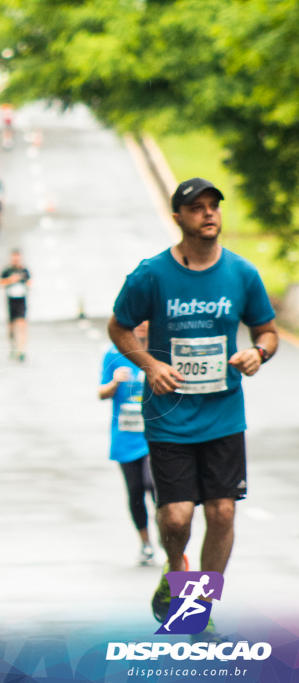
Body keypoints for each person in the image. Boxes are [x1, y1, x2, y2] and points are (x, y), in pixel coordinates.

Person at [108, 177, 277, 641]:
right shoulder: (152, 274)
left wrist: (258, 353)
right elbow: (119, 327)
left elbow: (267, 330)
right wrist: (148, 364)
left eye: (213, 206)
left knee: (222, 512)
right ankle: (172, 564)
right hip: (170, 415)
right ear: (178, 216)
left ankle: (194, 607)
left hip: (224, 414)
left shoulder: (241, 274)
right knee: (178, 517)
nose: (208, 214)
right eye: (197, 207)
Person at [99, 321, 156, 566]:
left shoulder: (161, 350)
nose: (142, 327)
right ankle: (145, 544)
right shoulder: (114, 354)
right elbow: (101, 393)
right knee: (135, 492)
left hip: (154, 436)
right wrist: (114, 382)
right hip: (125, 436)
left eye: (147, 323)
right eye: (138, 324)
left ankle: (170, 534)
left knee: (152, 484)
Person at [0, 249, 31, 362]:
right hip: (10, 300)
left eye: (18, 258)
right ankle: (13, 344)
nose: (16, 260)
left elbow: (31, 283)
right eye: (14, 258)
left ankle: (21, 349)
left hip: (21, 300)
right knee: (12, 326)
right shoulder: (7, 271)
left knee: (21, 324)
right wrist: (11, 280)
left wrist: (24, 282)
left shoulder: (24, 270)